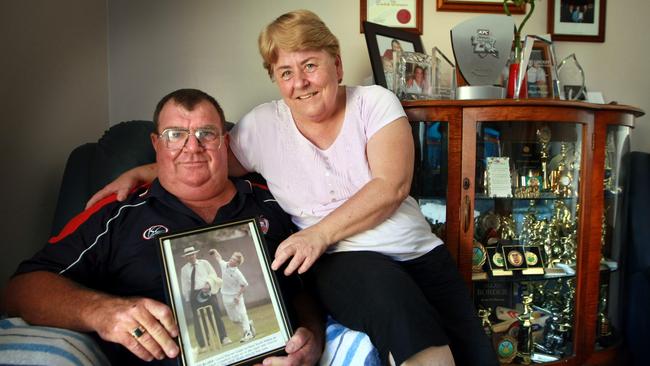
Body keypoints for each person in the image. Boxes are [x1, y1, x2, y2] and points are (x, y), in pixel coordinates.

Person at [86, 10, 497, 366]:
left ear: (336, 64)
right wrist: (144, 170)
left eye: (310, 65)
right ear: (275, 80)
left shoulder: (375, 103)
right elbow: (205, 161)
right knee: (408, 324)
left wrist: (316, 233)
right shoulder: (262, 126)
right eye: (286, 72)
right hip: (342, 260)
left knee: (478, 354)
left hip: (419, 253)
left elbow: (390, 186)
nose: (300, 82)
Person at [3, 88, 323, 366]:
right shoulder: (117, 215)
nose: (192, 147)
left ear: (225, 142)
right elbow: (21, 289)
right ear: (157, 144)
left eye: (206, 133)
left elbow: (306, 289)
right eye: (175, 135)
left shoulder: (274, 201)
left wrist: (313, 339)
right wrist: (101, 311)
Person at [180, 245, 231, 352]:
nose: (191, 257)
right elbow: (184, 285)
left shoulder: (204, 263)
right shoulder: (184, 269)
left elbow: (213, 274)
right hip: (194, 295)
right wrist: (188, 299)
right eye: (188, 256)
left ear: (195, 254)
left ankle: (224, 338)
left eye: (192, 254)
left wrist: (208, 283)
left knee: (216, 315)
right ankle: (203, 345)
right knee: (199, 320)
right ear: (186, 257)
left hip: (208, 290)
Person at [208, 248, 255, 343]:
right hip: (225, 296)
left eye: (234, 259)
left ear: (237, 264)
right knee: (234, 320)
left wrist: (238, 296)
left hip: (236, 297)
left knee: (242, 314)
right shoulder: (224, 265)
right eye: (232, 257)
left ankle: (247, 332)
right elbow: (219, 258)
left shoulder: (237, 273)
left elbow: (244, 285)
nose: (231, 259)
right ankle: (248, 324)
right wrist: (215, 251)